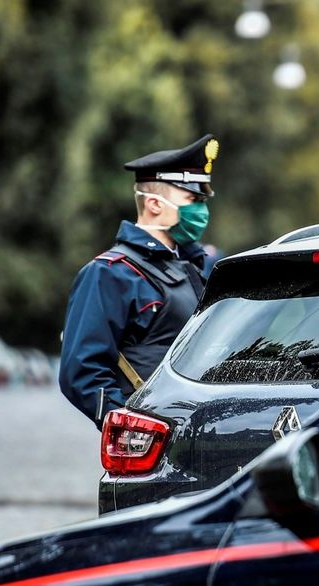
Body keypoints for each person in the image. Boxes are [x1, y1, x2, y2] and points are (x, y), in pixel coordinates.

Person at [59, 134, 220, 426]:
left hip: (201, 430)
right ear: (155, 205)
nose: (201, 211)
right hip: (154, 441)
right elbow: (81, 374)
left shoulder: (194, 269)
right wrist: (133, 426)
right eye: (192, 200)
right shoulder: (110, 274)